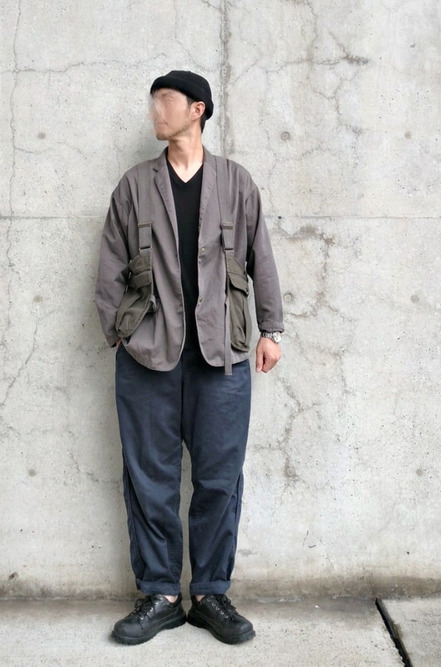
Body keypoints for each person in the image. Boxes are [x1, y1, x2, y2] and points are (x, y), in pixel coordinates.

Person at [95, 70, 283, 646]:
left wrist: (271, 329)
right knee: (148, 478)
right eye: (154, 102)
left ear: (196, 109)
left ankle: (209, 594)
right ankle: (161, 594)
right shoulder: (134, 185)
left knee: (219, 479)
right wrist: (119, 334)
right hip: (147, 356)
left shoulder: (236, 181)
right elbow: (109, 264)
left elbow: (260, 256)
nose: (155, 111)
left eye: (165, 101)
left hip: (221, 356)